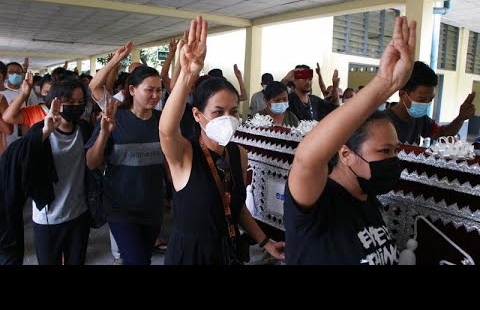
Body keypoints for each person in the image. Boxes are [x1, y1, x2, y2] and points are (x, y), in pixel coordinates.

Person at [284, 16, 416, 265]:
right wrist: (385, 83)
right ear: (345, 153)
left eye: (395, 151)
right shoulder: (318, 202)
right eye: (384, 151)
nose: (393, 160)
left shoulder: (369, 200)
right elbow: (307, 159)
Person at [159, 15, 285, 265]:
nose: (228, 119)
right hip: (190, 255)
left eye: (234, 111)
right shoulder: (185, 155)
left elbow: (235, 206)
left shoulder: (238, 153)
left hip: (227, 251)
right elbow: (166, 131)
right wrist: (186, 75)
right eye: (218, 112)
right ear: (197, 115)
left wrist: (265, 241)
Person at [85, 65, 166, 265]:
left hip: (153, 207)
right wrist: (104, 132)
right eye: (150, 89)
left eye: (159, 90)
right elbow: (91, 162)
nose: (156, 95)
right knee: (135, 260)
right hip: (121, 208)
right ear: (132, 90)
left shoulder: (163, 121)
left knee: (144, 258)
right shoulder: (115, 118)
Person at [384, 61, 476, 144]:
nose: (426, 104)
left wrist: (461, 118)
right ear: (402, 94)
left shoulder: (420, 119)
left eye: (430, 99)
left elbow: (442, 134)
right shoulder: (382, 122)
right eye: (421, 100)